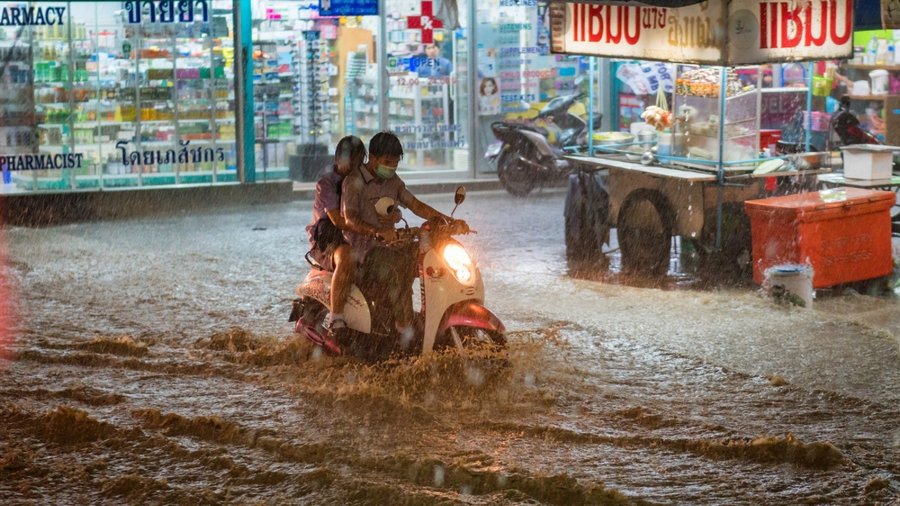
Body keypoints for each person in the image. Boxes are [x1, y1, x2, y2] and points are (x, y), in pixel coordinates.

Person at [341, 131, 463, 345]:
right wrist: (376, 231)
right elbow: (349, 219)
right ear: (373, 157)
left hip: (392, 244)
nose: (391, 168)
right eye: (387, 162)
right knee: (398, 268)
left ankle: (434, 317)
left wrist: (447, 222)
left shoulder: (393, 182)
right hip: (364, 252)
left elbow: (415, 205)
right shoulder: (354, 182)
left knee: (432, 257)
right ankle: (404, 328)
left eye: (395, 164)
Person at [305, 135, 366, 341]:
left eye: (359, 162)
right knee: (347, 257)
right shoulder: (327, 183)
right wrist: (370, 229)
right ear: (338, 158)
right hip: (329, 238)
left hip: (357, 235)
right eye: (351, 161)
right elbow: (338, 220)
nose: (354, 166)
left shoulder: (364, 181)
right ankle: (336, 319)